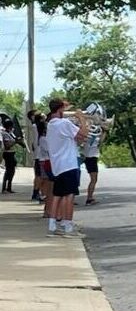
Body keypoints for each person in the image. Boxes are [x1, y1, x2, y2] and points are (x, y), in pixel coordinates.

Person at [44, 99, 88, 237]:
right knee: (69, 195)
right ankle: (68, 226)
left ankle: (53, 225)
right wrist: (81, 118)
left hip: (57, 165)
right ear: (61, 109)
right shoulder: (64, 123)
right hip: (68, 164)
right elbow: (84, 134)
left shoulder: (51, 124)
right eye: (66, 107)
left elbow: (78, 139)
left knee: (57, 195)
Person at [83, 129, 105, 205]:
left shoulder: (89, 139)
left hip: (89, 158)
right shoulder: (92, 139)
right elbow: (100, 142)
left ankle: (90, 197)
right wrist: (104, 131)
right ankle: (89, 198)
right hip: (91, 158)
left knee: (93, 179)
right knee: (93, 179)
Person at [2, 118, 23, 193]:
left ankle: (9, 186)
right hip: (8, 153)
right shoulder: (5, 134)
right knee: (8, 170)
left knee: (12, 170)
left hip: (12, 153)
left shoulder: (11, 133)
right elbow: (7, 145)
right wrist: (16, 141)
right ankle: (4, 187)